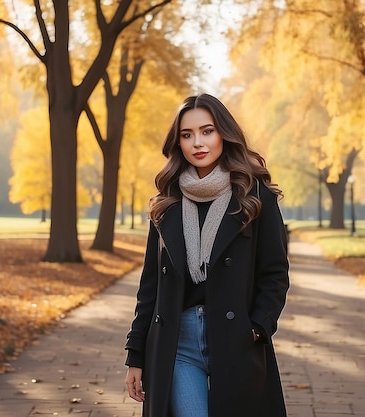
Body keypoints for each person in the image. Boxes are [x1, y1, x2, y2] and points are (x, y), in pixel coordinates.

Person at [124, 93, 289, 417]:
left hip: (236, 337)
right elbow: (150, 286)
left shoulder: (255, 198)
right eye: (187, 135)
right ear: (178, 143)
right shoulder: (165, 204)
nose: (197, 142)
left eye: (207, 131)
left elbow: (274, 274)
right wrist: (136, 354)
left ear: (223, 135)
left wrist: (256, 327)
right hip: (178, 341)